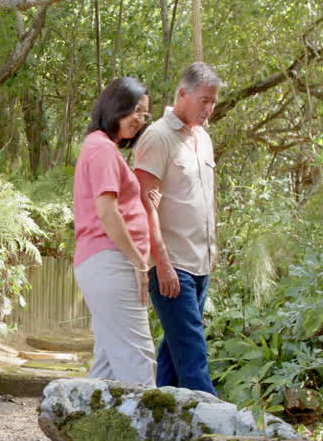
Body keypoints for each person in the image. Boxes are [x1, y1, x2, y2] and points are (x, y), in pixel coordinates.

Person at [133, 62, 224, 394]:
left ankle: (156, 417)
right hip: (172, 265)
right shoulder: (158, 137)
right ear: (183, 94)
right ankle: (219, 422)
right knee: (193, 357)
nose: (209, 108)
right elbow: (144, 205)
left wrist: (214, 247)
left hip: (201, 262)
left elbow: (207, 199)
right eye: (204, 100)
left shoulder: (204, 139)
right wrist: (163, 264)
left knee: (174, 356)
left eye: (213, 101)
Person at [72, 77, 155, 386]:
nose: (140, 119)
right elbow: (108, 213)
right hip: (111, 260)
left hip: (104, 261)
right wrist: (139, 263)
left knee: (107, 366)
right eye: (135, 109)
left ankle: (84, 418)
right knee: (138, 360)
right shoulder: (102, 149)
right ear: (115, 106)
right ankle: (146, 419)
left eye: (145, 113)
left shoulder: (101, 148)